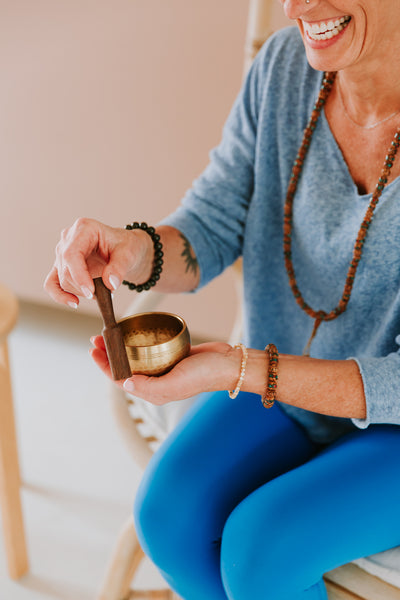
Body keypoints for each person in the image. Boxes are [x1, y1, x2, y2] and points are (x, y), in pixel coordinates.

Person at [44, 1, 400, 598]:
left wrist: (239, 368)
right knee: (168, 517)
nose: (295, 7)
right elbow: (214, 219)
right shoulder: (284, 68)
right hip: (283, 383)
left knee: (262, 551)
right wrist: (133, 251)